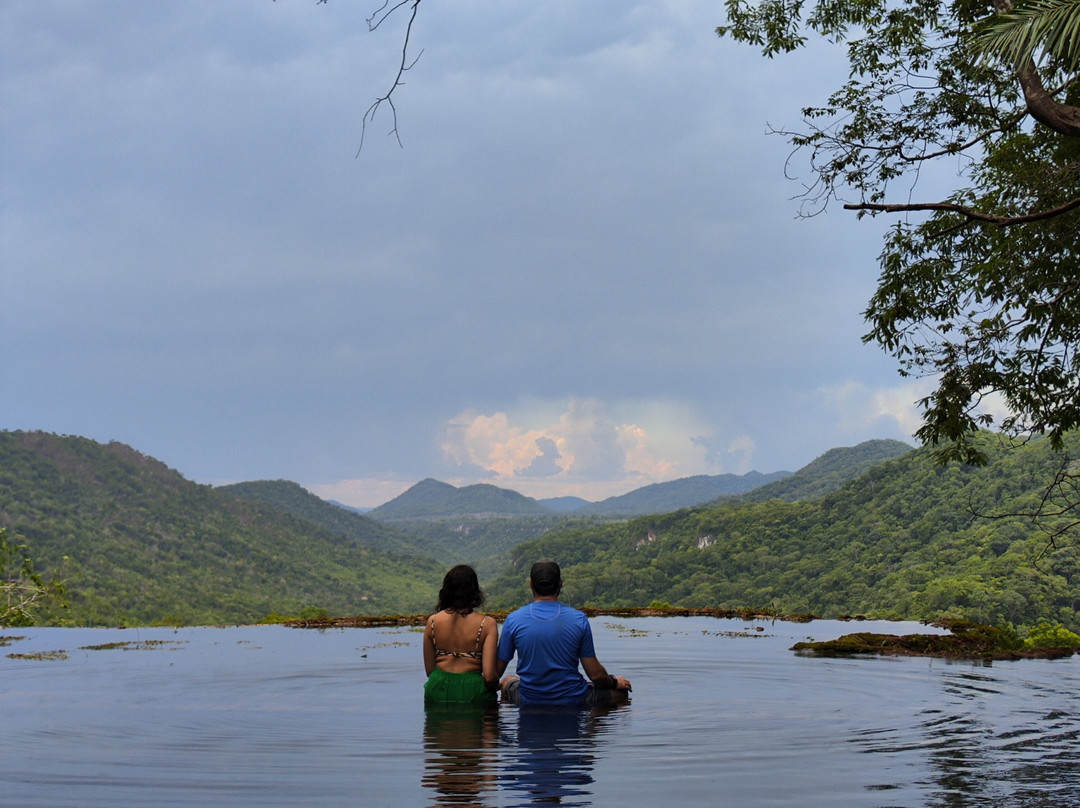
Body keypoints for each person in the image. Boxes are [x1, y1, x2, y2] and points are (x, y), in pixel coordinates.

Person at [496, 560, 631, 706]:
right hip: (574, 698)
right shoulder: (578, 619)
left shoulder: (513, 620)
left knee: (507, 680)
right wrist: (615, 681)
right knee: (621, 693)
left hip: (529, 698)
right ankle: (595, 719)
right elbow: (596, 675)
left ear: (531, 585)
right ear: (560, 583)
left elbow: (496, 672)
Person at [423, 565, 499, 705]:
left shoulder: (432, 622)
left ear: (446, 591)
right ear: (475, 591)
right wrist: (499, 686)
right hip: (473, 691)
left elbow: (429, 671)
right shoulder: (487, 624)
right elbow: (489, 676)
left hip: (437, 688)